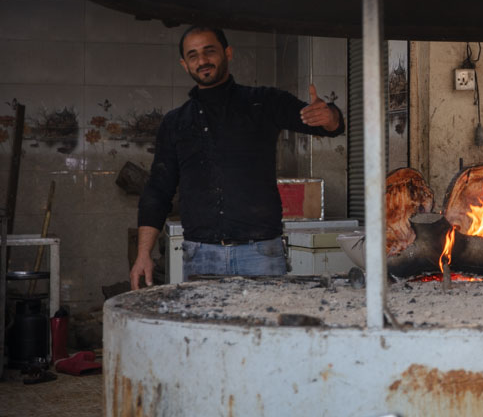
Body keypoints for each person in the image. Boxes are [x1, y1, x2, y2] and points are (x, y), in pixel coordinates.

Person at [130, 26, 344, 289]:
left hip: (260, 254)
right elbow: (158, 191)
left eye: (209, 51)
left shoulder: (263, 102)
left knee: (266, 318)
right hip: (200, 256)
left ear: (228, 53)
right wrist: (143, 254)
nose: (202, 60)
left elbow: (325, 124)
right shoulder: (175, 122)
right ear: (184, 64)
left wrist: (330, 117)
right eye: (193, 55)